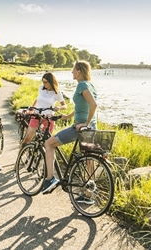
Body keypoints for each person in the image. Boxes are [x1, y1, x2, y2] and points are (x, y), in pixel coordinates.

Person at [43, 60, 97, 203]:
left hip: (80, 127)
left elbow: (93, 104)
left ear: (79, 71)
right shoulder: (90, 85)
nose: (71, 72)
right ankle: (87, 196)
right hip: (91, 127)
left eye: (73, 69)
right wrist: (68, 116)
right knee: (89, 160)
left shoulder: (82, 84)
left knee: (49, 144)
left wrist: (84, 124)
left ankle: (50, 179)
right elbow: (83, 107)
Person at [21, 72, 66, 147]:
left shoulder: (57, 93)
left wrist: (59, 107)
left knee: (46, 143)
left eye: (45, 82)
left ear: (51, 82)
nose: (44, 84)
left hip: (48, 118)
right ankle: (19, 156)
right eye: (43, 81)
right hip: (36, 115)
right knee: (27, 139)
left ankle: (42, 157)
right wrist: (31, 109)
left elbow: (65, 105)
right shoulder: (41, 88)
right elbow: (38, 99)